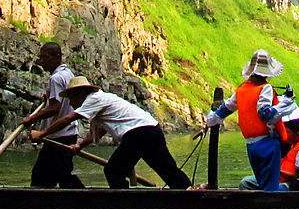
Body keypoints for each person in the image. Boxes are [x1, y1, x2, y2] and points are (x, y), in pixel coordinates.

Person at [31, 77, 192, 189]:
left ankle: (121, 205)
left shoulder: (92, 100)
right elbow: (98, 132)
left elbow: (68, 119)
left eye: (71, 99)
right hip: (152, 129)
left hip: (138, 133)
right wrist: (80, 146)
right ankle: (189, 192)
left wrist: (42, 134)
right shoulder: (99, 104)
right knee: (167, 169)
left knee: (113, 170)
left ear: (79, 94)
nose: (71, 103)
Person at [206, 49, 288, 191]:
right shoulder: (266, 88)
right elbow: (264, 113)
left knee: (262, 184)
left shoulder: (241, 89)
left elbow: (223, 110)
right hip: (268, 145)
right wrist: (286, 103)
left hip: (251, 146)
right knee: (271, 190)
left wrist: (209, 120)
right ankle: (287, 192)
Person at [17, 42, 84, 188]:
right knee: (61, 174)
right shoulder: (68, 74)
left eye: (45, 57)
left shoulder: (56, 78)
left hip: (59, 135)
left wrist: (31, 119)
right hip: (69, 133)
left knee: (42, 177)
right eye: (40, 57)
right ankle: (76, 201)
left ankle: (83, 200)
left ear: (56, 57)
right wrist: (49, 97)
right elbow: (59, 101)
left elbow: (55, 108)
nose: (42, 61)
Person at [238, 90, 299, 190]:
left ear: (297, 135)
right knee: (250, 181)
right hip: (279, 180)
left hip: (288, 185)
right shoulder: (294, 146)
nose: (285, 135)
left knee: (245, 183)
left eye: (288, 133)